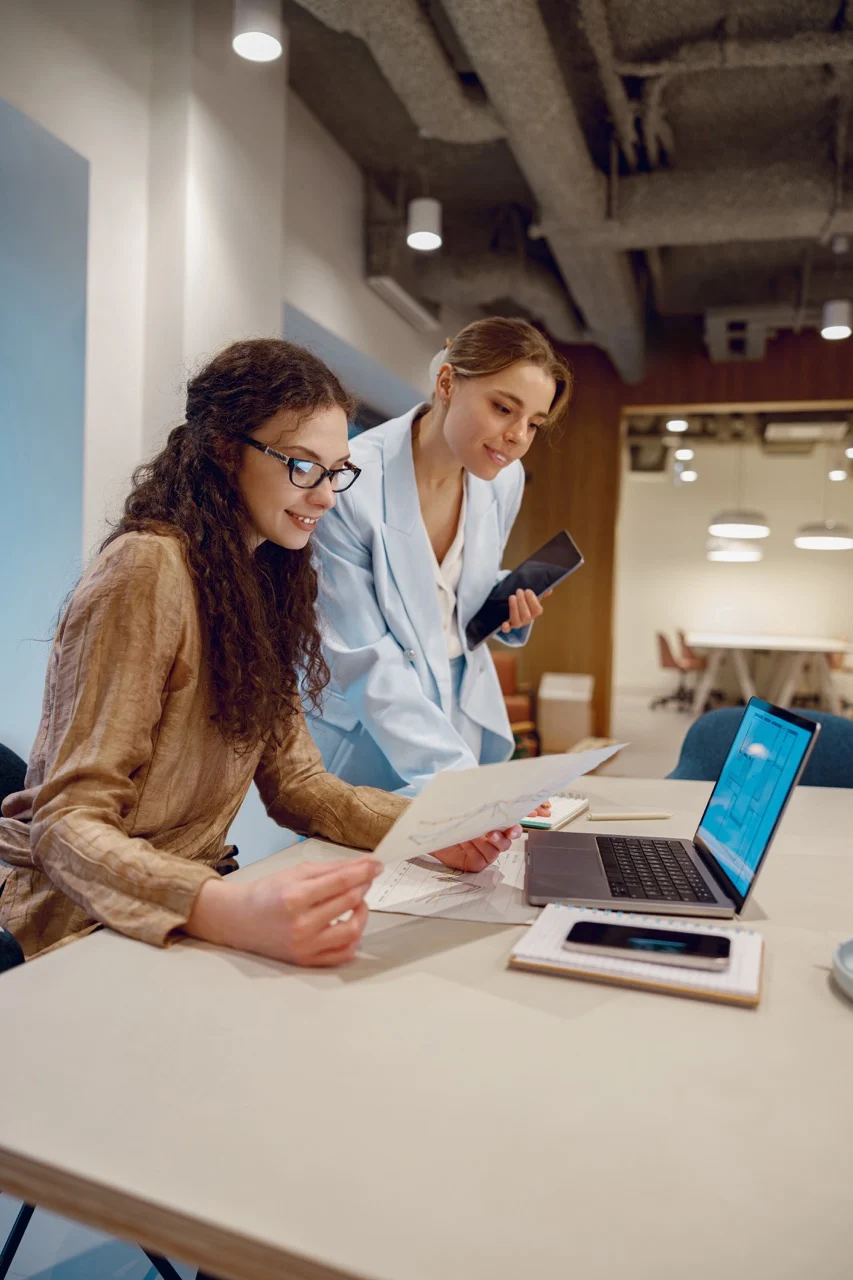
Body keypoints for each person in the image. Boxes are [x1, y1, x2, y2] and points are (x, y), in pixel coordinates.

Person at [0, 340, 522, 965]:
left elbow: (298, 782)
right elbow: (65, 824)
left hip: (183, 911)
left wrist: (431, 830)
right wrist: (224, 908)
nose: (327, 497)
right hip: (83, 927)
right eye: (304, 466)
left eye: (338, 471)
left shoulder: (262, 578)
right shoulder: (147, 568)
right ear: (226, 450)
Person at [307, 317, 573, 795]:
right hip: (367, 724)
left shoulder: (503, 479)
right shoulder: (349, 483)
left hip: (460, 706)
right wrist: (457, 780)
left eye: (534, 423)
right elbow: (363, 656)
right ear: (447, 382)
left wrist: (503, 600)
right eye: (503, 408)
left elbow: (446, 590)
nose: (518, 436)